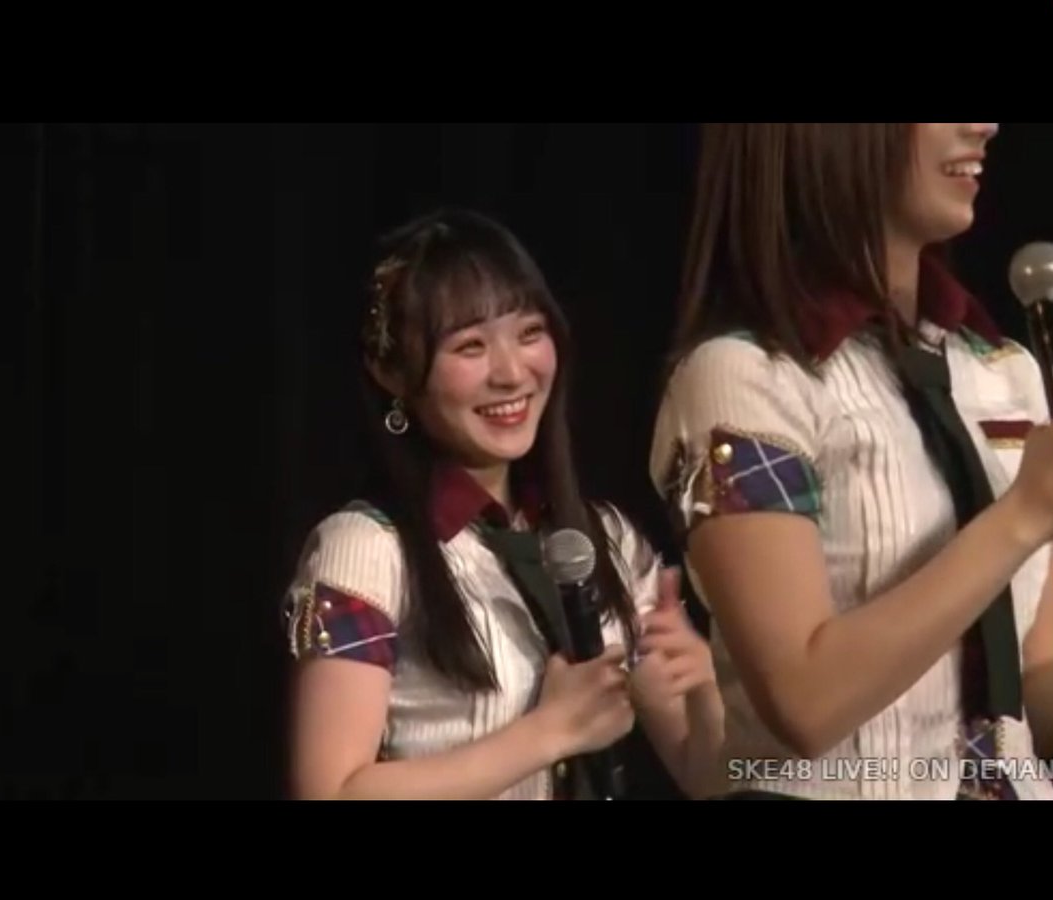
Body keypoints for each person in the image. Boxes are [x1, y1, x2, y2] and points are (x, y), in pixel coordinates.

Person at [648, 123, 1053, 800]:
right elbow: (805, 702)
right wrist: (1025, 515)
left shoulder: (1003, 372)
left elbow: (1027, 696)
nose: (985, 125)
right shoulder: (745, 378)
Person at [283, 208, 724, 800]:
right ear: (392, 373)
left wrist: (704, 686)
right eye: (470, 346)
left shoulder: (605, 539)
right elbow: (330, 792)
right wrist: (549, 733)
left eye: (529, 333)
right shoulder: (365, 549)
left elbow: (708, 777)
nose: (512, 373)